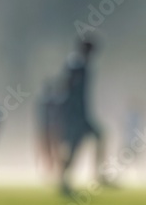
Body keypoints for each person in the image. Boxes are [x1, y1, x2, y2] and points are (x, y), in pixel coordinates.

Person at [59, 36, 110, 195]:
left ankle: (97, 174)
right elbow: (67, 87)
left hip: (80, 113)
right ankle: (64, 179)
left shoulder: (80, 65)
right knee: (74, 147)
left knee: (97, 138)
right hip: (75, 115)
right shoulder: (77, 66)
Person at [37, 80, 60, 177]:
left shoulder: (45, 101)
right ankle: (49, 168)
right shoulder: (49, 101)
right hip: (48, 129)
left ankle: (51, 169)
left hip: (49, 129)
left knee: (50, 150)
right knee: (48, 150)